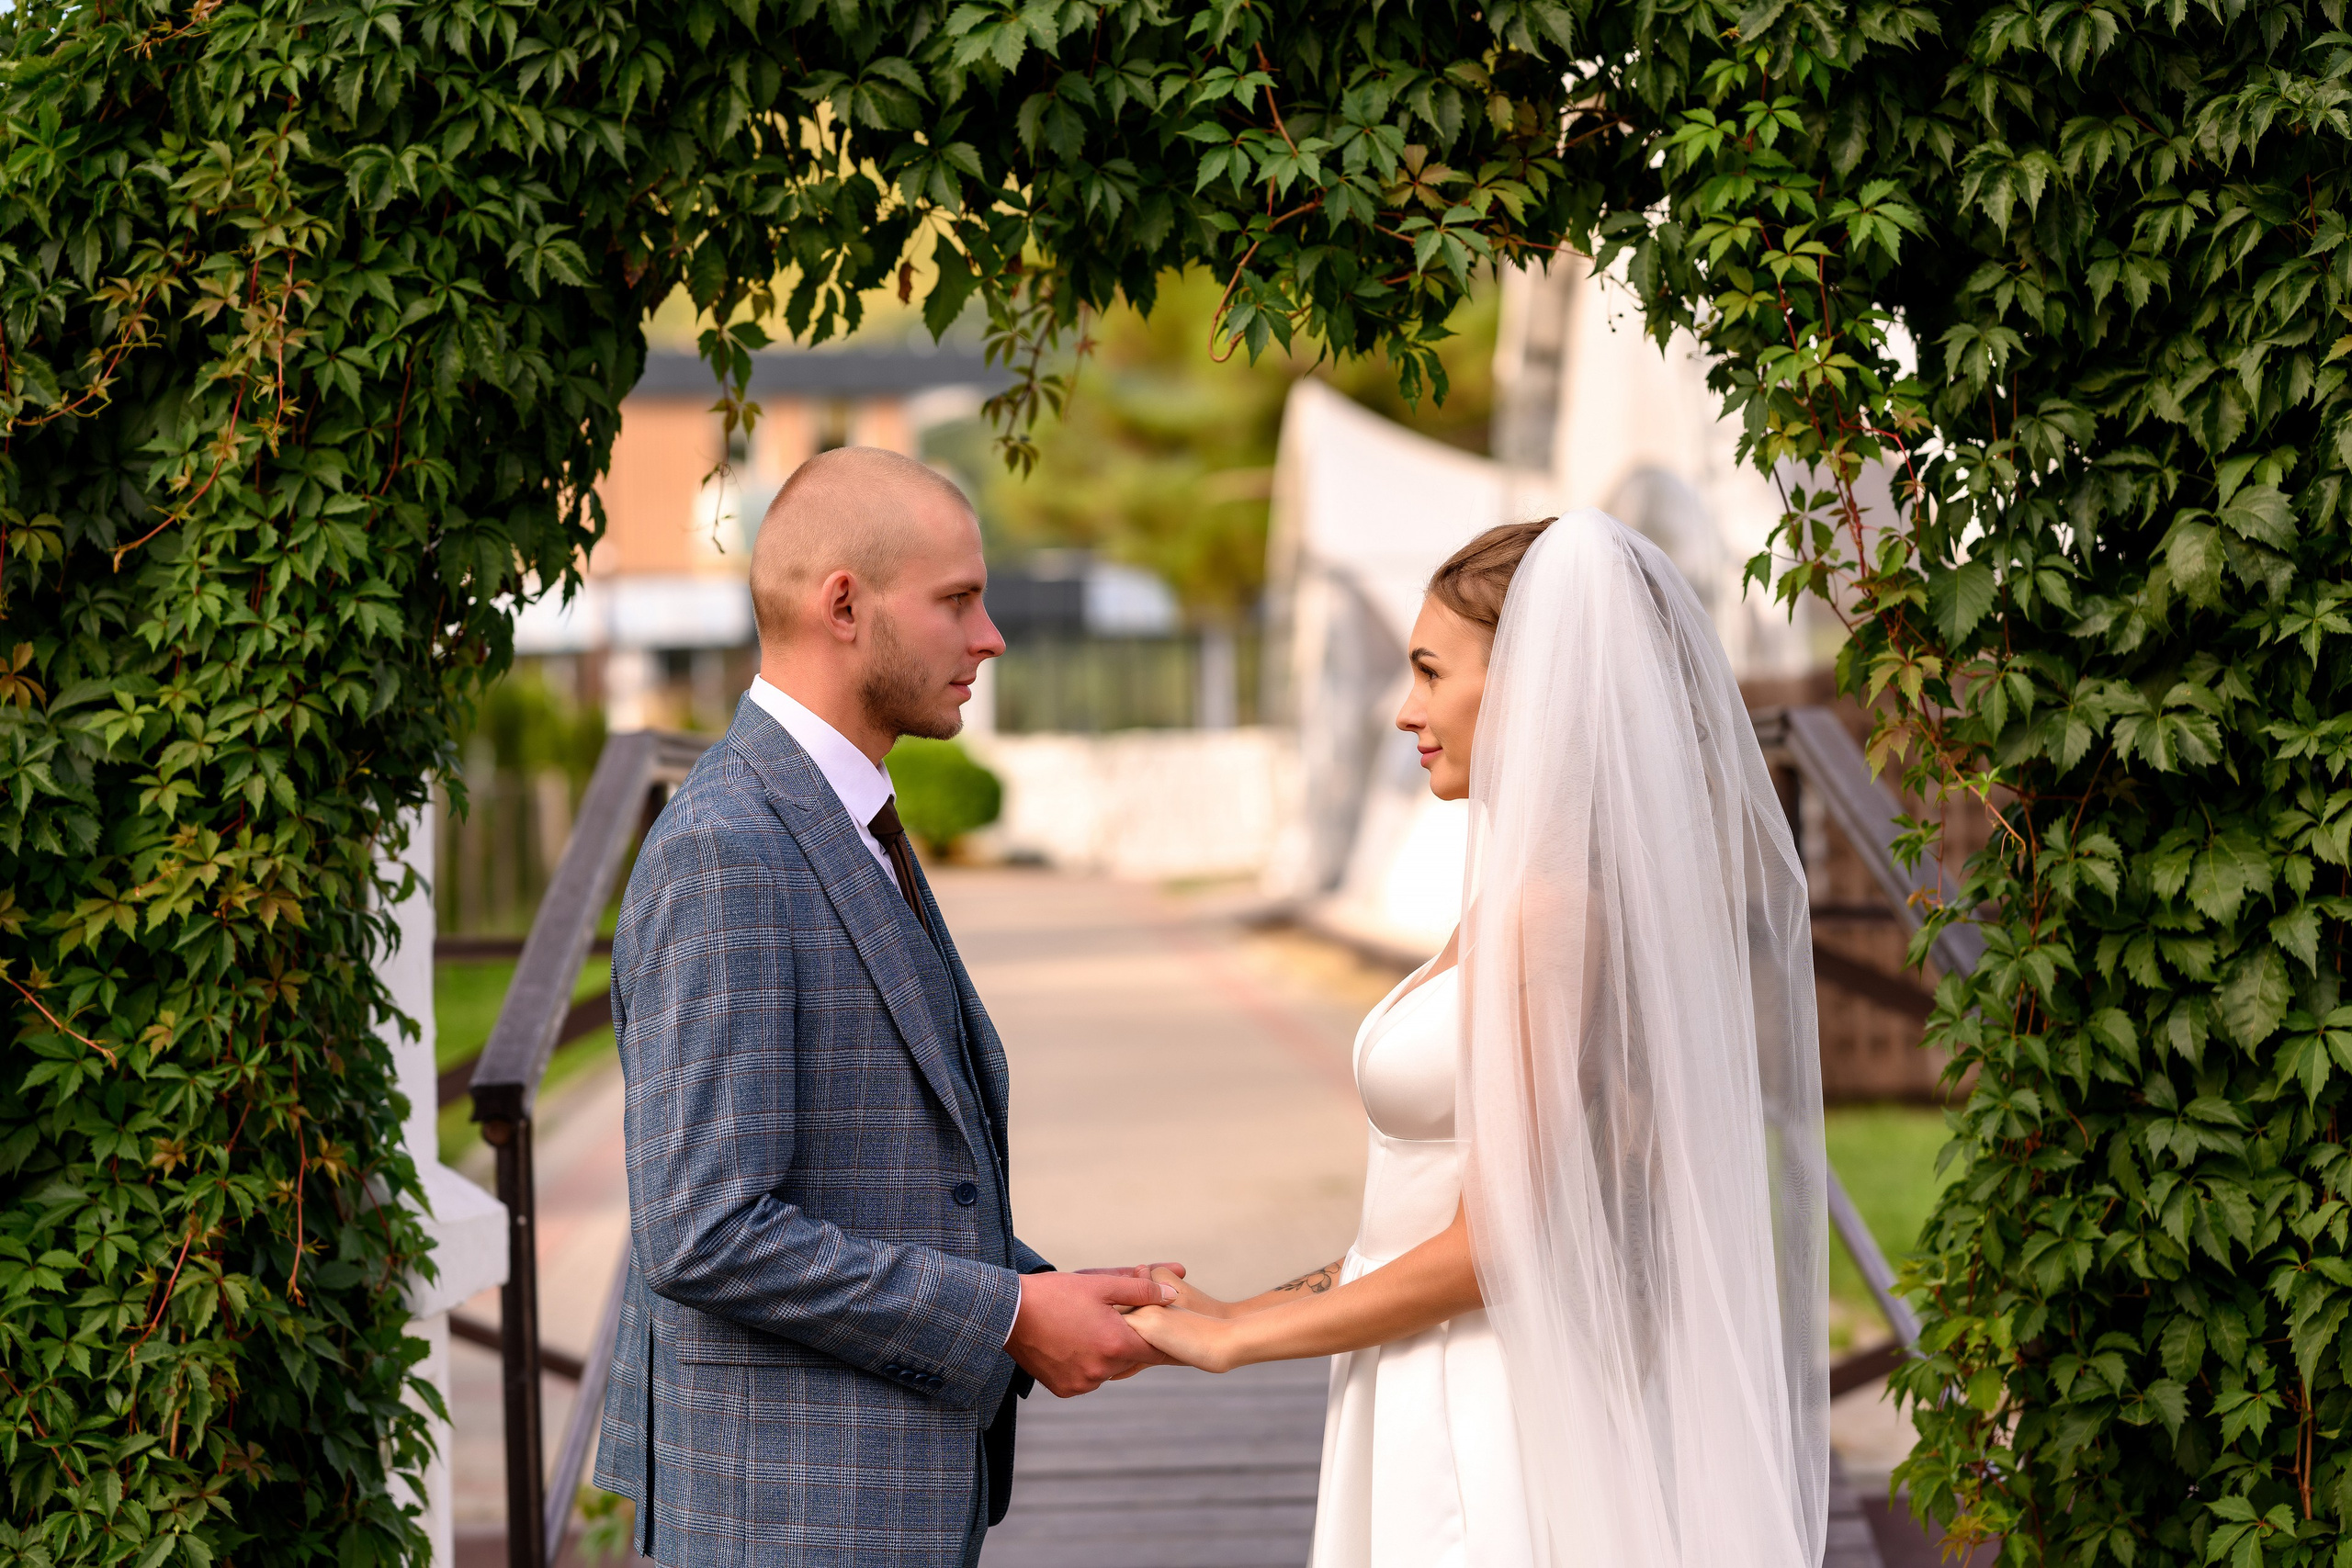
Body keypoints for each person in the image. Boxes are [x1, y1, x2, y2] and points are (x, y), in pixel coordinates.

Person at [1125, 512, 1832, 1568]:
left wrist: (1239, 1342)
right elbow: (1430, 1213)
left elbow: (1499, 1242)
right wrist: (1239, 1303)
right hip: (1421, 1367)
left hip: (1478, 1402)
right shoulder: (1518, 893)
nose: (1406, 709)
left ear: (1533, 686)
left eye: (1429, 671)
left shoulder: (1550, 912)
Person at [593, 446, 1181, 1567]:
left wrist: (1046, 1291)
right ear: (845, 606)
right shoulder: (725, 848)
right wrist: (1004, 1319)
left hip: (869, 1501)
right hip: (789, 1513)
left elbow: (872, 1178)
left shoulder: (836, 813)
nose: (990, 636)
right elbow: (706, 1231)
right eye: (958, 599)